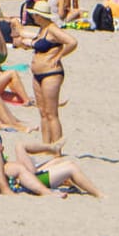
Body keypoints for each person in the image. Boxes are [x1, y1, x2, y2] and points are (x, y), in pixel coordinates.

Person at [29, 17, 76, 146]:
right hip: (37, 74)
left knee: (51, 113)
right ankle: (45, 146)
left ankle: (56, 148)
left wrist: (59, 55)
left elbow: (72, 42)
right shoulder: (42, 29)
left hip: (51, 73)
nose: (33, 18)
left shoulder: (52, 29)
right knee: (43, 112)